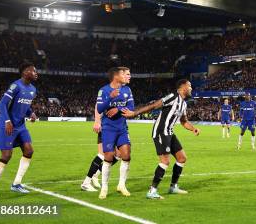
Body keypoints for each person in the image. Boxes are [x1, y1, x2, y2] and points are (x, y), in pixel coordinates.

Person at [122, 79, 201, 199]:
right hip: (160, 132)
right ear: (183, 86)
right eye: (189, 86)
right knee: (165, 161)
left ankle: (173, 187)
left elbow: (183, 121)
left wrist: (193, 128)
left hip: (169, 132)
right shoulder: (173, 96)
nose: (191, 88)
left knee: (182, 158)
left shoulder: (184, 103)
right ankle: (152, 191)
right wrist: (134, 113)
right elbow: (154, 105)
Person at [0, 62, 38, 197]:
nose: (36, 73)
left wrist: (30, 113)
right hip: (7, 125)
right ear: (25, 72)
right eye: (33, 71)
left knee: (29, 150)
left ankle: (16, 184)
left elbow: (26, 107)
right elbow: (2, 103)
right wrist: (7, 121)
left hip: (21, 126)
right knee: (6, 155)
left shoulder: (33, 89)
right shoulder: (16, 86)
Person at [95, 66, 134, 199]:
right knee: (109, 157)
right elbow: (100, 108)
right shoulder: (104, 90)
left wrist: (117, 109)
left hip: (122, 128)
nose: (126, 76)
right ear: (116, 76)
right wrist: (109, 98)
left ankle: (121, 185)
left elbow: (131, 108)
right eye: (124, 74)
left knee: (126, 155)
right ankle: (104, 187)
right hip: (108, 129)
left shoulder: (127, 89)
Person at [80, 104, 120, 191]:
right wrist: (97, 121)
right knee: (102, 155)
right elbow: (98, 104)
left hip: (115, 126)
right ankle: (86, 183)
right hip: (105, 125)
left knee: (118, 154)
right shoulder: (107, 91)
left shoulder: (120, 93)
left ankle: (95, 175)